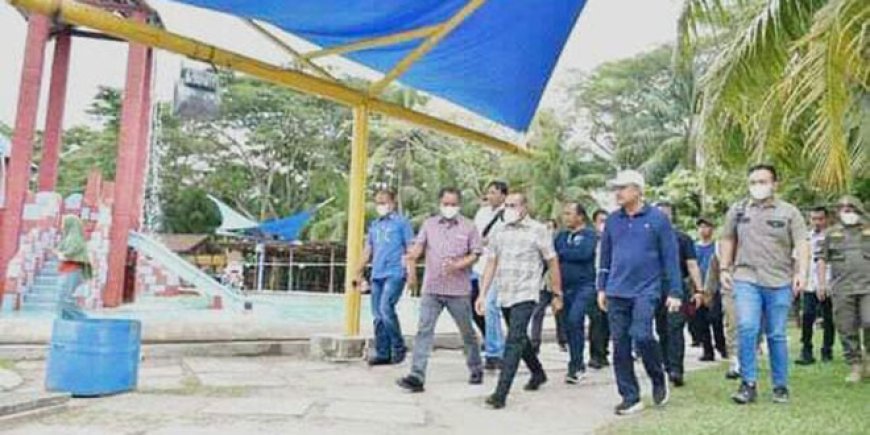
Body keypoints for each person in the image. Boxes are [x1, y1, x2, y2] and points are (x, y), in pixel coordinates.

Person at [720, 164, 808, 405]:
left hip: (780, 281)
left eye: (763, 181)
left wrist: (802, 272)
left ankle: (780, 385)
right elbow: (727, 238)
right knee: (747, 328)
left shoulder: (789, 212)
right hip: (746, 278)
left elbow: (802, 243)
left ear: (774, 184)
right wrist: (725, 268)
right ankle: (748, 383)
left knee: (776, 334)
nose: (758, 186)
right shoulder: (738, 211)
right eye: (753, 182)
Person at [597, 170, 678, 415]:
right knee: (620, 344)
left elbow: (670, 257)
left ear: (638, 190)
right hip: (616, 290)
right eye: (616, 188)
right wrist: (601, 286)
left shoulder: (657, 219)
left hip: (647, 289)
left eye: (623, 188)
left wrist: (675, 291)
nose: (618, 193)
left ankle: (657, 376)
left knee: (642, 335)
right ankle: (630, 396)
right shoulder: (612, 220)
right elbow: (605, 256)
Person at [476, 193, 562, 409]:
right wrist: (482, 293)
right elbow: (491, 263)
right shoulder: (500, 231)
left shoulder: (539, 231)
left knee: (513, 340)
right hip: (505, 292)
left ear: (525, 207)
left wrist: (556, 292)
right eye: (507, 206)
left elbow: (552, 262)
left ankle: (500, 393)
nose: (509, 209)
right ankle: (538, 372)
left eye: (513, 205)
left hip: (527, 293)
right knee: (520, 337)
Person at [397, 188, 484, 392]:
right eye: (446, 203)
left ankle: (475, 367)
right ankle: (417, 375)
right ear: (440, 203)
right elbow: (417, 249)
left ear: (459, 205)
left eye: (453, 204)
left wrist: (459, 264)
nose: (449, 207)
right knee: (424, 331)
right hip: (432, 289)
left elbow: (476, 253)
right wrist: (410, 267)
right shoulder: (429, 225)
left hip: (458, 290)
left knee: (467, 332)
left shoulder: (468, 227)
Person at [355, 190, 415, 365]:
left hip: (395, 272)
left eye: (384, 201)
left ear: (392, 203)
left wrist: (411, 274)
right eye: (378, 202)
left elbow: (410, 248)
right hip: (377, 273)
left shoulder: (402, 223)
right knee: (377, 315)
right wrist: (357, 271)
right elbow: (368, 250)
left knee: (386, 309)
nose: (380, 205)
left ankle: (398, 346)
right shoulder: (375, 225)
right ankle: (383, 352)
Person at [817, 196, 869, 383]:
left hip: (867, 287)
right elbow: (822, 259)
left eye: (851, 207)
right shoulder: (832, 233)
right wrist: (821, 284)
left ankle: (868, 356)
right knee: (846, 326)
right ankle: (855, 365)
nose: (847, 211)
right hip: (842, 288)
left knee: (869, 321)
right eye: (843, 208)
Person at [653, 201, 704, 387]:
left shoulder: (682, 239)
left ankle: (676, 369)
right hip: (654, 288)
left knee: (675, 327)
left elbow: (692, 264)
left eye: (666, 213)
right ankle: (666, 365)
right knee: (662, 329)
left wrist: (699, 290)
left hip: (676, 287)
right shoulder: (649, 238)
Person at [553, 203, 598, 383]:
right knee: (569, 326)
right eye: (564, 214)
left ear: (580, 216)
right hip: (564, 287)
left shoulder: (589, 234)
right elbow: (552, 256)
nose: (566, 217)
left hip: (584, 285)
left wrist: (562, 254)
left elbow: (584, 254)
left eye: (569, 214)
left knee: (575, 318)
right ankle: (575, 361)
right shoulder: (561, 236)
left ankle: (577, 364)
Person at [472, 181, 508, 370]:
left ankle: (496, 352)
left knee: (491, 305)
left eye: (494, 192)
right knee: (476, 306)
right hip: (479, 264)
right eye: (489, 193)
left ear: (503, 195)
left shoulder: (508, 214)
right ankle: (493, 340)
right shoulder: (482, 213)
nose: (490, 196)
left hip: (498, 266)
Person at [794, 206, 836, 365]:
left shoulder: (833, 237)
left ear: (827, 219)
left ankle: (827, 350)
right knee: (807, 316)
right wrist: (797, 277)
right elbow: (798, 259)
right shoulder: (805, 237)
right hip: (810, 283)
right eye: (813, 219)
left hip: (829, 283)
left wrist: (826, 283)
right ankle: (806, 350)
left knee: (828, 318)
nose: (817, 222)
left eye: (820, 218)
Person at [530, 218, 568, 354]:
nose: (549, 231)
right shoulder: (538, 244)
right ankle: (535, 342)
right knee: (538, 312)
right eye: (547, 227)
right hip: (543, 284)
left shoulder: (559, 244)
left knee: (559, 312)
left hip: (556, 282)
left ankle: (563, 340)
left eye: (552, 227)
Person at [694, 217, 727, 362]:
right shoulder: (694, 247)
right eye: (701, 227)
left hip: (715, 288)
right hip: (698, 289)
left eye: (706, 226)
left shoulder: (717, 247)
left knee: (716, 318)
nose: (703, 230)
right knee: (700, 322)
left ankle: (722, 345)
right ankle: (707, 350)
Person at [55, 215, 92, 320]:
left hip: (72, 270)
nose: (62, 226)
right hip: (65, 270)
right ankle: (65, 319)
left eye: (64, 223)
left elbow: (69, 253)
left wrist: (61, 254)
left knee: (65, 298)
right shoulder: (67, 238)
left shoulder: (75, 238)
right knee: (61, 298)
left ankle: (82, 318)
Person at [588, 209, 611, 369]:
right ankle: (595, 355)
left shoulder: (613, 240)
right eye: (601, 221)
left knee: (606, 321)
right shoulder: (590, 240)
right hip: (593, 284)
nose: (603, 224)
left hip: (610, 285)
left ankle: (603, 352)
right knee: (596, 320)